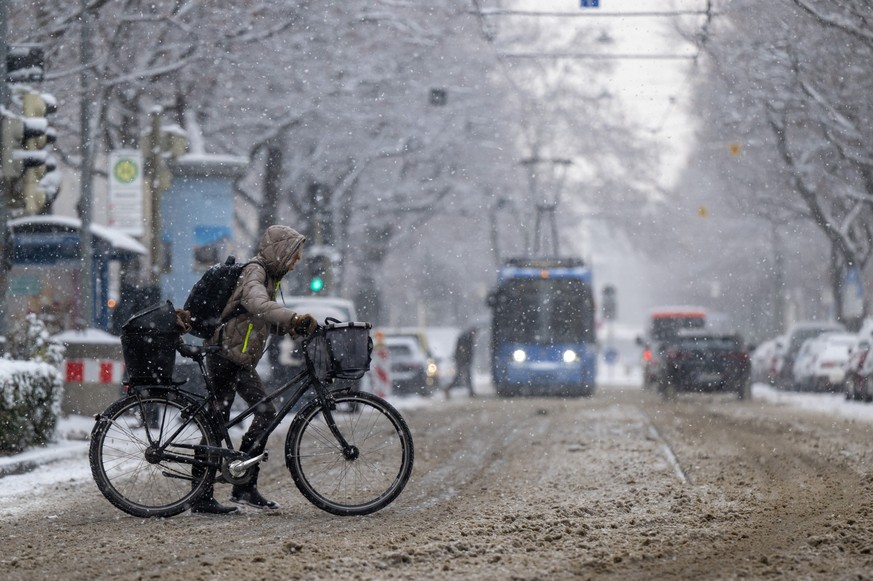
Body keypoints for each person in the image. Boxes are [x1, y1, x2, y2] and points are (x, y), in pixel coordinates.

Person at [191, 225, 318, 515]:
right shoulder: (255, 272)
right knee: (219, 420)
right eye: (294, 255)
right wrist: (293, 317)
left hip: (237, 356)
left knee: (258, 414)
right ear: (281, 251)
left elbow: (258, 318)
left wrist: (290, 325)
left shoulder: (269, 276)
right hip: (226, 354)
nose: (296, 262)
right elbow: (256, 303)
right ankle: (202, 495)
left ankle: (243, 486)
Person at [447, 327, 477, 398]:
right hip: (463, 361)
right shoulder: (466, 338)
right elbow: (463, 350)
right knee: (461, 377)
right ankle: (448, 388)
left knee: (463, 377)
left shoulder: (466, 337)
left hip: (463, 360)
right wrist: (464, 360)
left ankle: (471, 392)